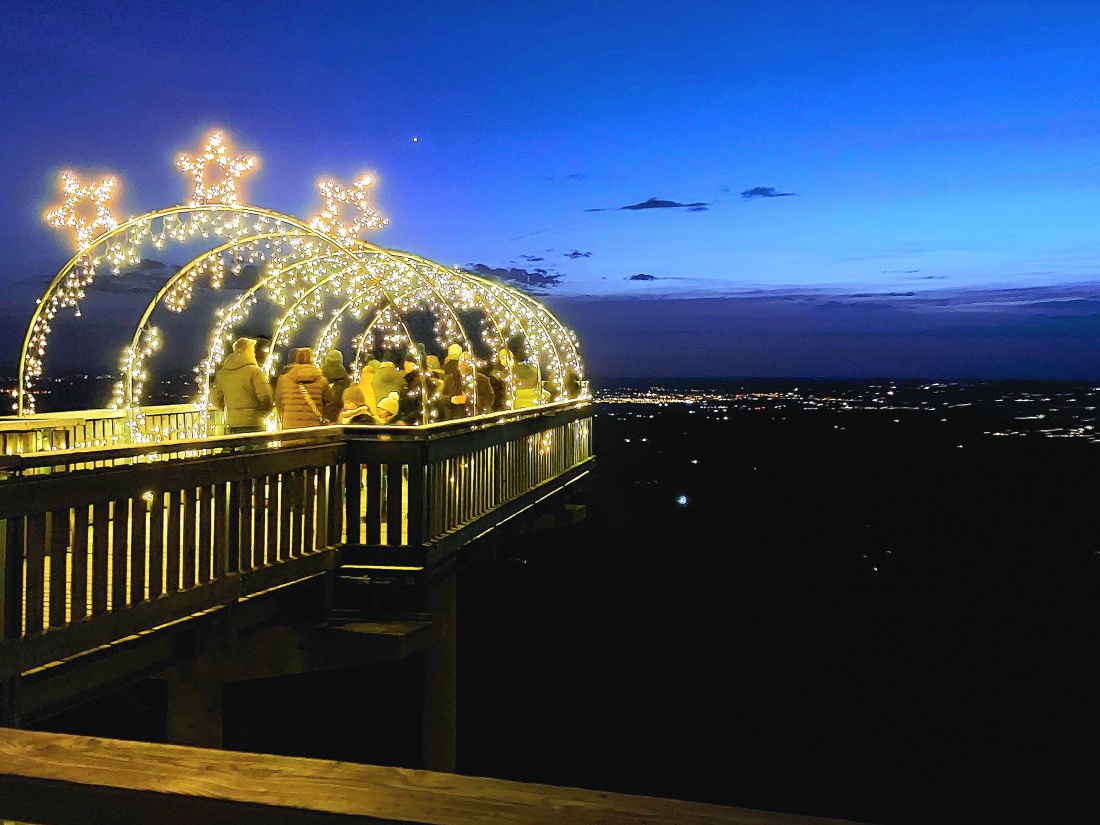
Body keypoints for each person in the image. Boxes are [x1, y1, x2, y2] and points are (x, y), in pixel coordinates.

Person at [211, 337, 273, 434]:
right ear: (247, 351)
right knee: (258, 448)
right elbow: (265, 397)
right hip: (253, 423)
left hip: (232, 423)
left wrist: (230, 410)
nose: (254, 354)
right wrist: (262, 412)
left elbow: (216, 398)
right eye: (252, 350)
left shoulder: (222, 373)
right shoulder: (254, 371)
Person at [275, 347, 334, 429]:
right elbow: (329, 403)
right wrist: (325, 417)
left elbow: (279, 403)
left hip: (290, 428)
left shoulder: (284, 379)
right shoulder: (322, 380)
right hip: (314, 428)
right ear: (312, 360)